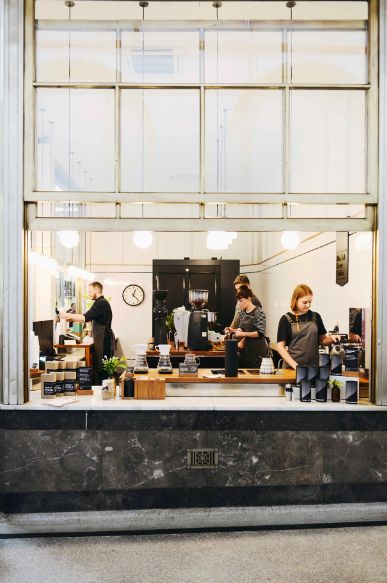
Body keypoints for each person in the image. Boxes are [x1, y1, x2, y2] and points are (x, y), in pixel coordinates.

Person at [276, 284, 341, 369]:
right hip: (291, 368)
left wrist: (331, 338)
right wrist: (296, 366)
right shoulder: (286, 319)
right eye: (304, 302)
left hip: (312, 368)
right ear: (295, 300)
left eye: (310, 302)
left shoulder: (316, 317)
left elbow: (323, 340)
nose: (308, 305)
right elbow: (280, 347)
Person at [60, 282, 113, 384]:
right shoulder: (102, 302)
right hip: (102, 339)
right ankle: (104, 390)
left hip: (102, 340)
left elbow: (85, 317)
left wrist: (67, 315)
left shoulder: (100, 303)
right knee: (101, 367)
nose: (89, 294)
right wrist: (70, 318)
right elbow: (88, 318)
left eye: (90, 291)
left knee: (101, 368)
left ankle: (104, 391)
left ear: (96, 290)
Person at [231, 285, 269, 368]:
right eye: (238, 301)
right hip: (246, 351)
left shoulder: (259, 312)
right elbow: (241, 327)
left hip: (258, 352)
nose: (239, 304)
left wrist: (243, 334)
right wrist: (233, 330)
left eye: (241, 301)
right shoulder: (242, 313)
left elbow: (260, 332)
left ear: (248, 298)